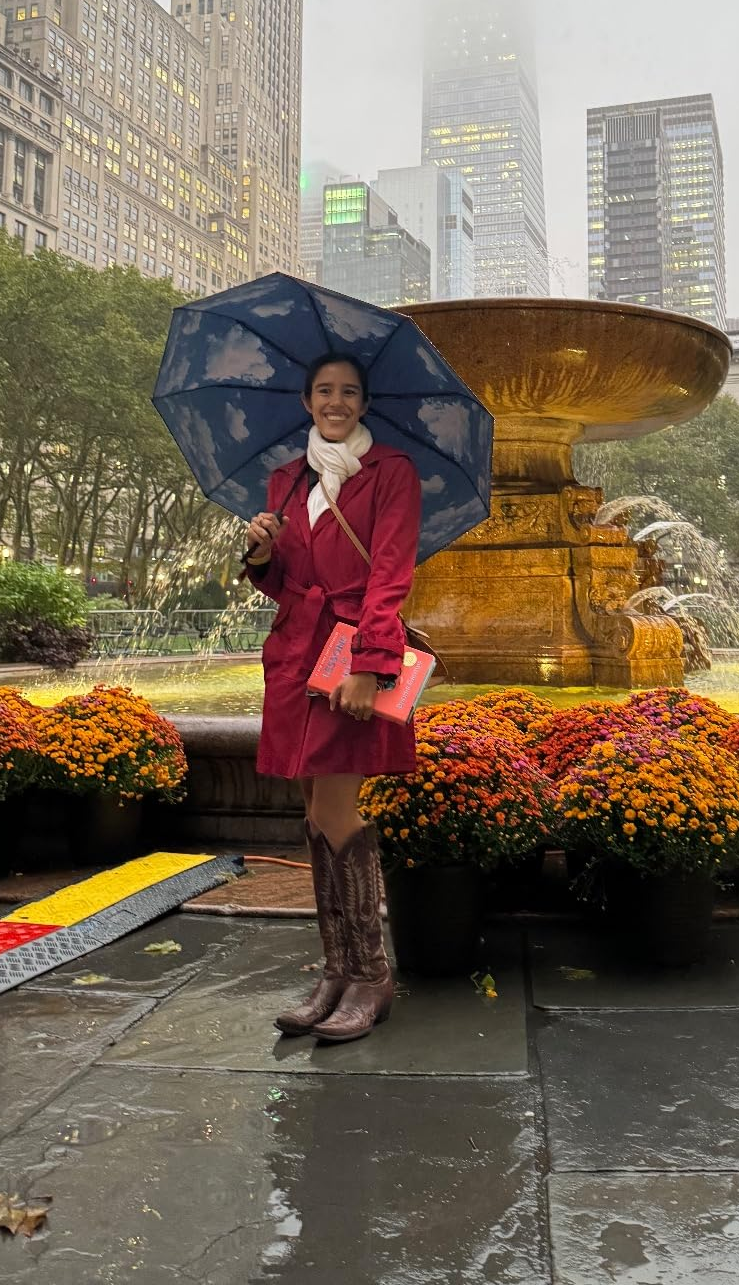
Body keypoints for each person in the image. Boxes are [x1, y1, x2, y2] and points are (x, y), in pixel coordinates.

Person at [242, 353, 422, 1044]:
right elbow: (285, 580)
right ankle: (336, 971)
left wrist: (372, 665)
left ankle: (372, 976)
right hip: (295, 656)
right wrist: (262, 555)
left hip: (351, 654)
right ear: (307, 401)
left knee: (337, 809)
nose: (336, 401)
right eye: (324, 390)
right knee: (314, 812)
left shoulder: (392, 472)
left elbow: (390, 574)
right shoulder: (288, 480)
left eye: (348, 391)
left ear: (364, 403)